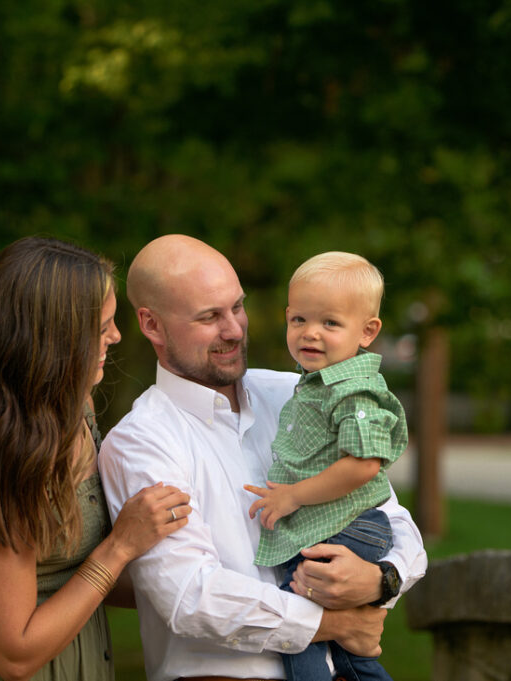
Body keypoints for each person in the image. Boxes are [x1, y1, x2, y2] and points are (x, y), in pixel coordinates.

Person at [98, 235, 426, 681]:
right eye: (209, 317)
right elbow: (190, 597)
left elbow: (393, 520)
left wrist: (379, 581)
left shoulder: (301, 394)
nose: (233, 329)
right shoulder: (143, 442)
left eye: (237, 307)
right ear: (151, 324)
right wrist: (334, 623)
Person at [0, 236, 191, 681]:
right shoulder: (1, 453)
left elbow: (77, 577)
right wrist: (121, 544)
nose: (117, 336)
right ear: (54, 338)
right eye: (101, 325)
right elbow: (15, 654)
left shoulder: (77, 414)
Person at [244, 252, 406, 681]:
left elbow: (364, 465)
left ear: (367, 332)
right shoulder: (316, 382)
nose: (310, 333)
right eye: (299, 320)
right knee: (353, 654)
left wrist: (293, 495)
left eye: (330, 324)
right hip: (345, 523)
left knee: (297, 615)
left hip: (350, 527)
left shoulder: (353, 391)